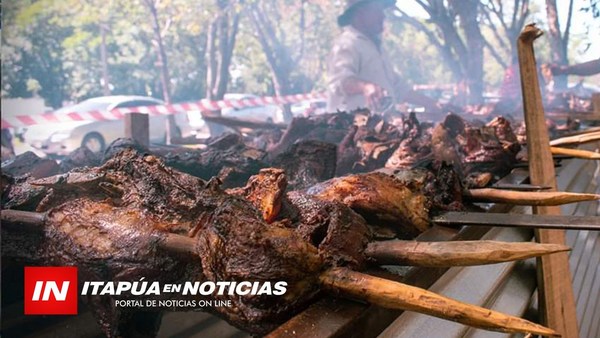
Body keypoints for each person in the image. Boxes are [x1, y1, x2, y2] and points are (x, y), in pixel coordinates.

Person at [326, 0, 443, 115]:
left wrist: (432, 103)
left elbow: (398, 88)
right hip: (346, 128)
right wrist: (365, 87)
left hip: (375, 128)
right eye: (378, 10)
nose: (383, 16)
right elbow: (340, 81)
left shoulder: (376, 47)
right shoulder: (347, 43)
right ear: (361, 13)